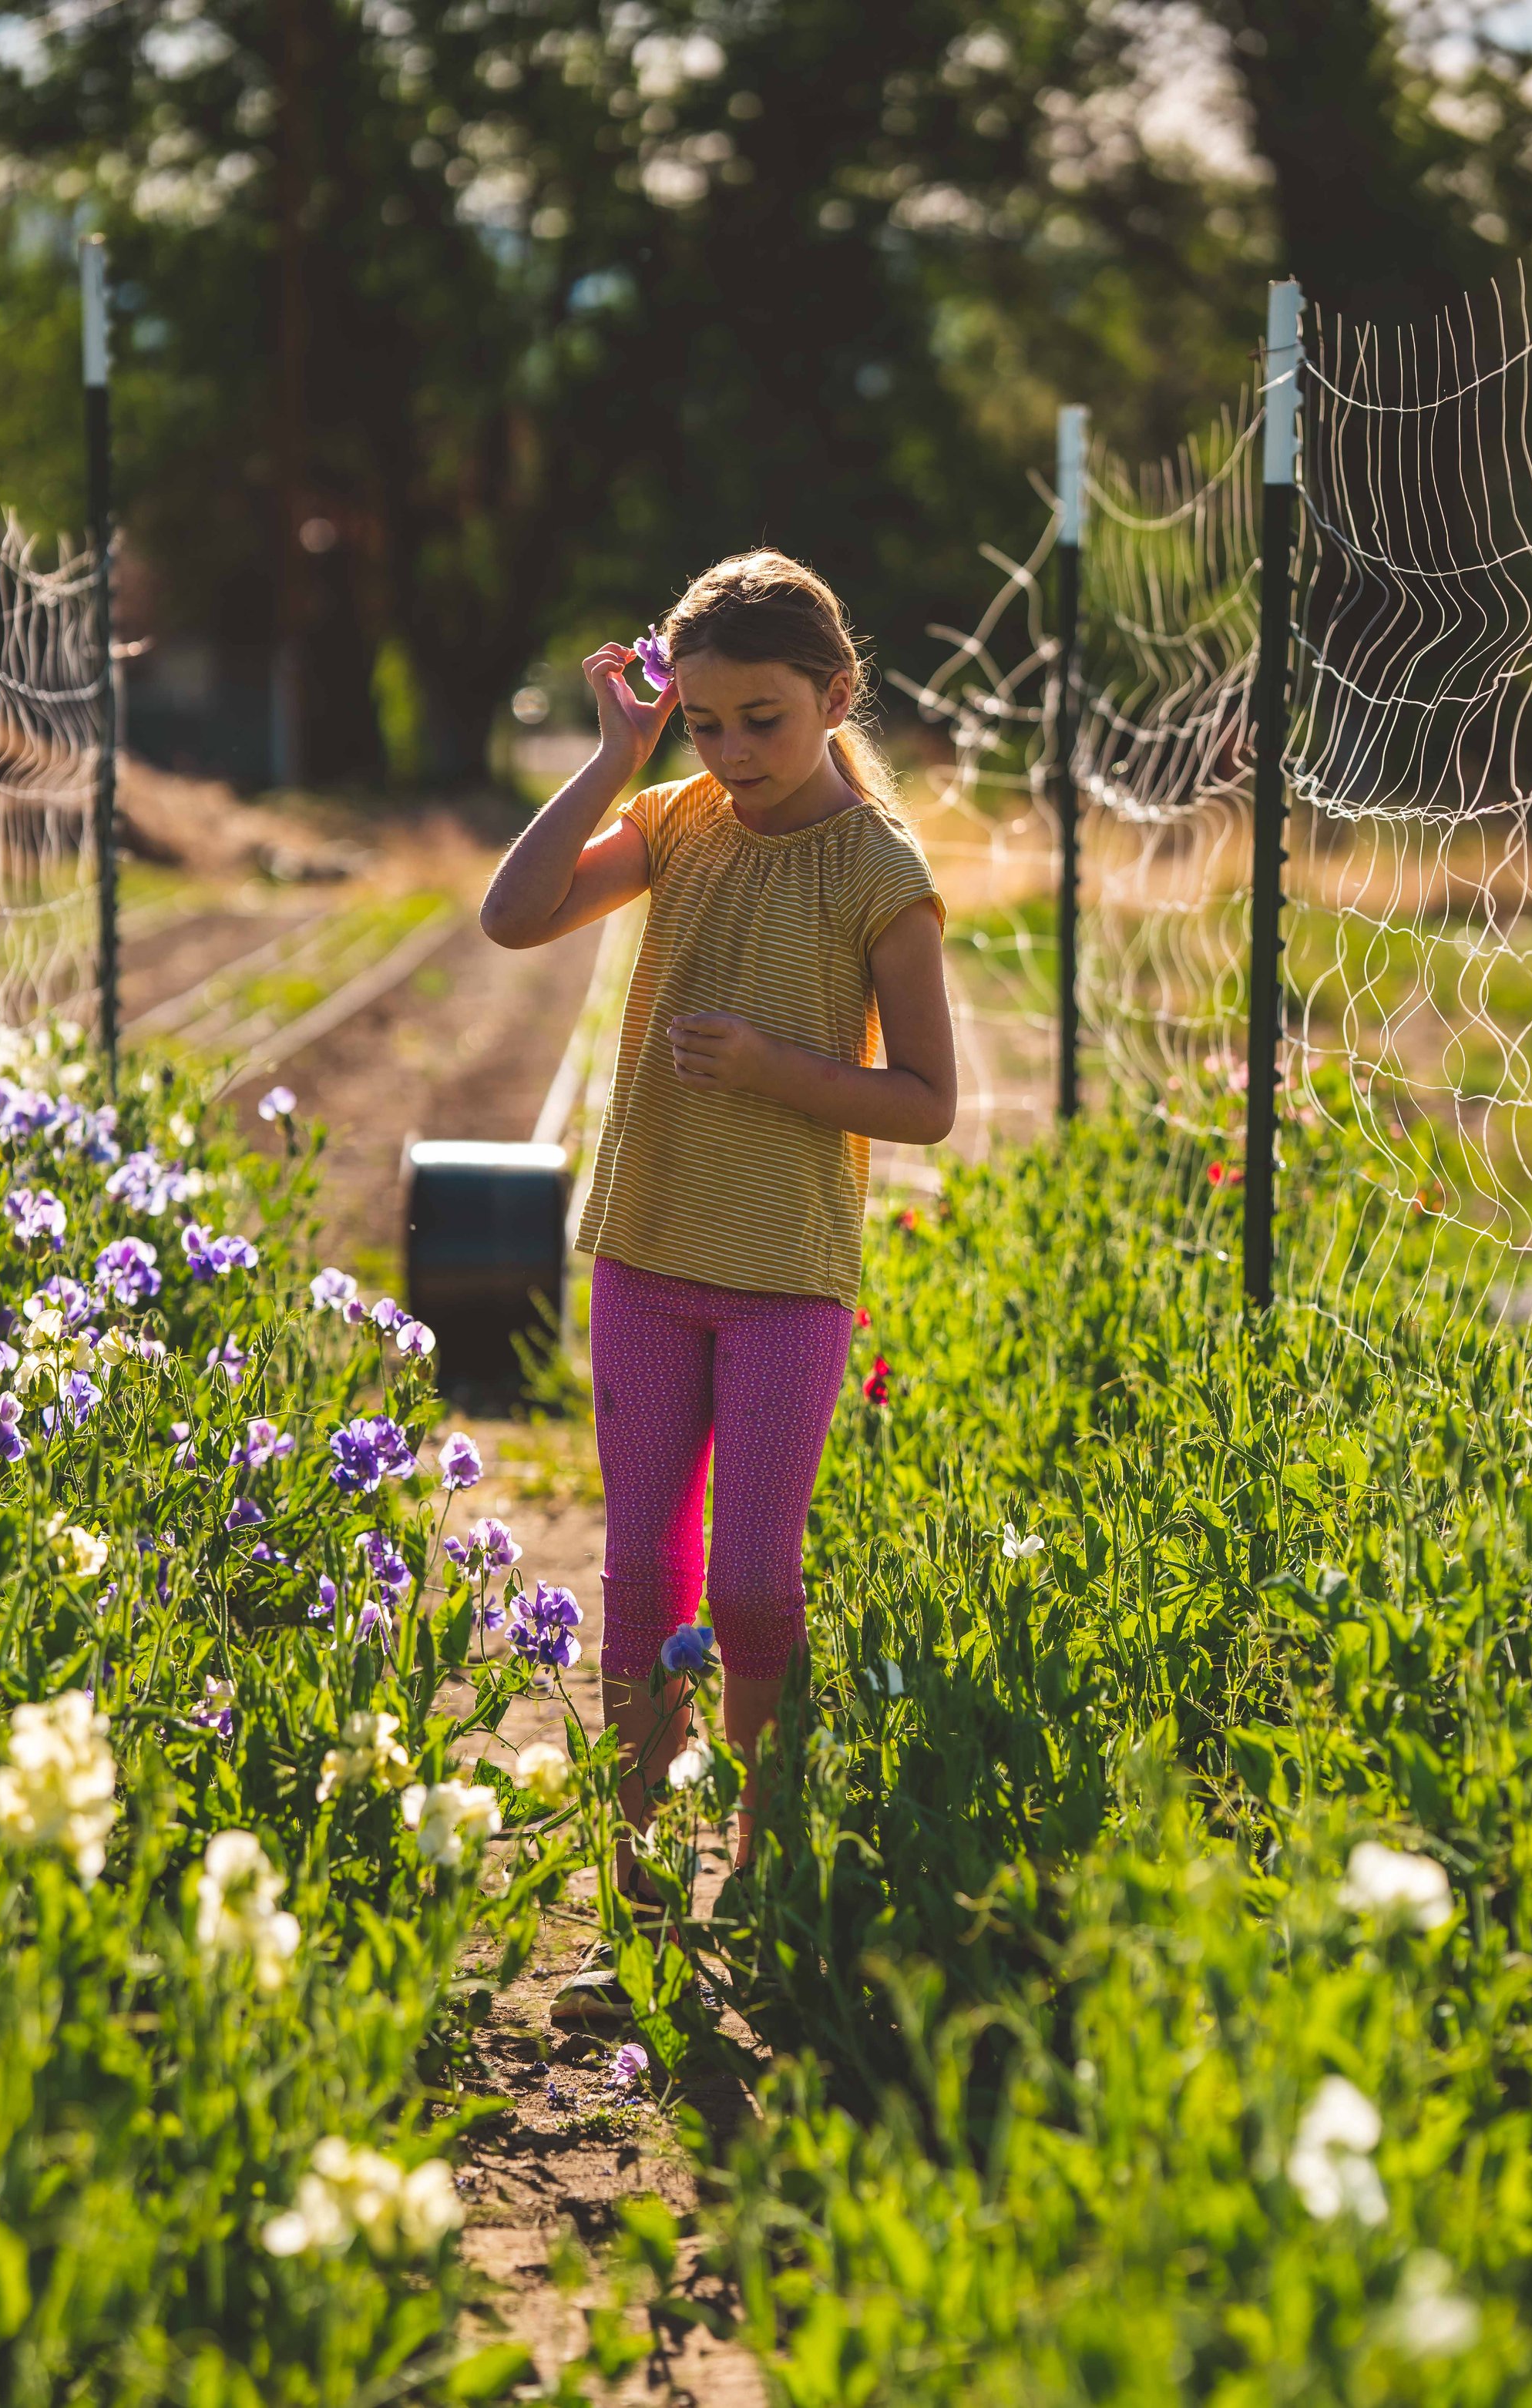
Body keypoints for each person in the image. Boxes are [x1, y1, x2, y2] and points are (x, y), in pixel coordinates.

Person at [480, 549, 956, 2024]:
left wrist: (781, 1072)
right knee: (645, 1576)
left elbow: (929, 1100)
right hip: (643, 1254)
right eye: (705, 722)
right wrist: (614, 757)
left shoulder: (881, 872)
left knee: (750, 1578)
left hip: (785, 1282)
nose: (733, 751)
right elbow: (515, 915)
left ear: (835, 695)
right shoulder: (676, 819)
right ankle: (629, 1877)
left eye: (763, 718)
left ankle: (761, 1849)